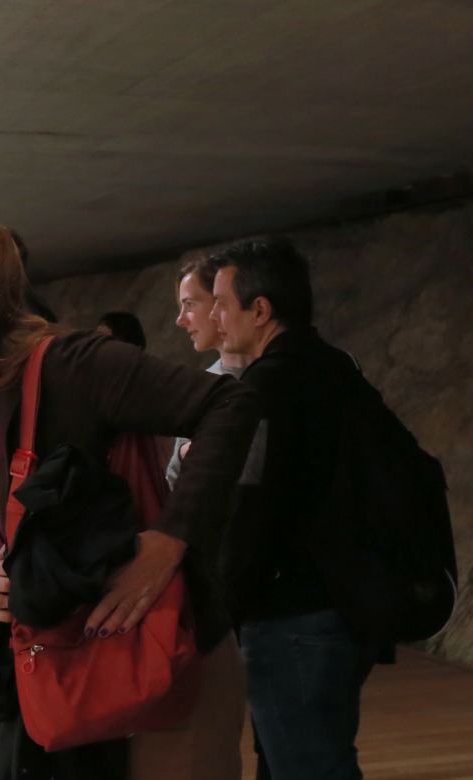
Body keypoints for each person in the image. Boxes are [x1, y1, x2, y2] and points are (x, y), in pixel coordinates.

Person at [0, 206, 259, 779]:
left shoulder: (72, 365)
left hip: (160, 663)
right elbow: (10, 525)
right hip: (69, 667)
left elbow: (230, 403)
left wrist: (170, 539)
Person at [207, 237, 385, 780]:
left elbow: (251, 505)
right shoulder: (338, 367)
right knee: (320, 756)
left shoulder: (267, 385)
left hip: (291, 613)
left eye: (220, 301)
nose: (215, 316)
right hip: (348, 601)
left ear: (259, 310)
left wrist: (218, 608)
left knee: (307, 766)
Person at [167, 256, 255, 487]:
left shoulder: (278, 375)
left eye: (191, 304)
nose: (180, 320)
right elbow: (173, 481)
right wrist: (187, 453)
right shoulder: (198, 386)